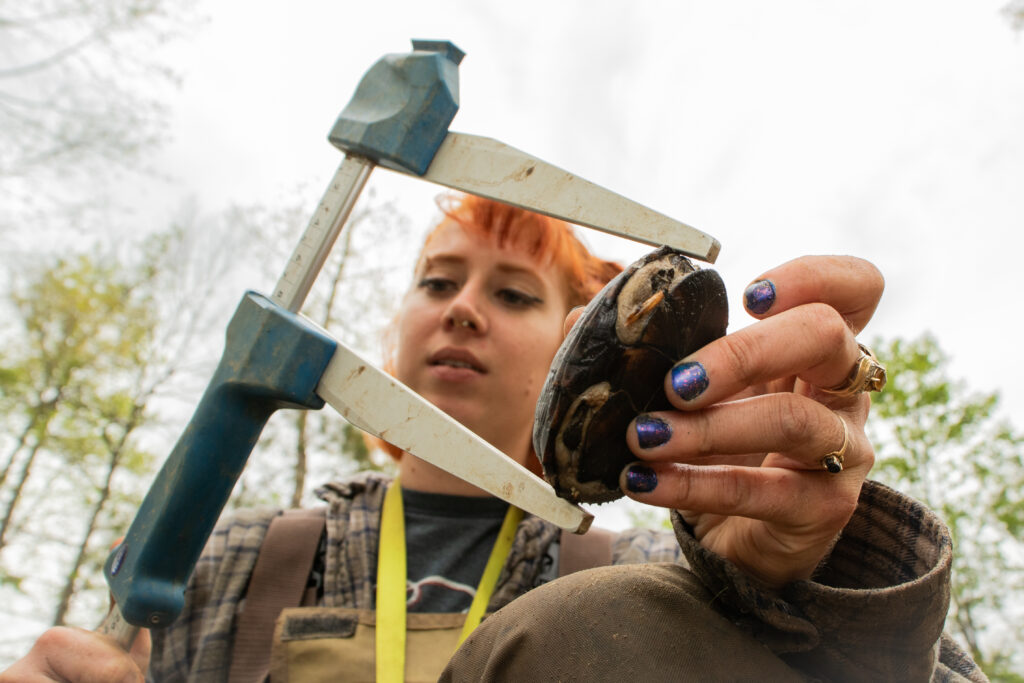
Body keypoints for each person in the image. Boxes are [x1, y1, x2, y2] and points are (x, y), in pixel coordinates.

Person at [0, 195, 986, 682]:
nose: (462, 309)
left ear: (583, 347)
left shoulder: (660, 563)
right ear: (396, 328)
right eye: (437, 280)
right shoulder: (229, 558)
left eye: (512, 292)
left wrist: (788, 593)